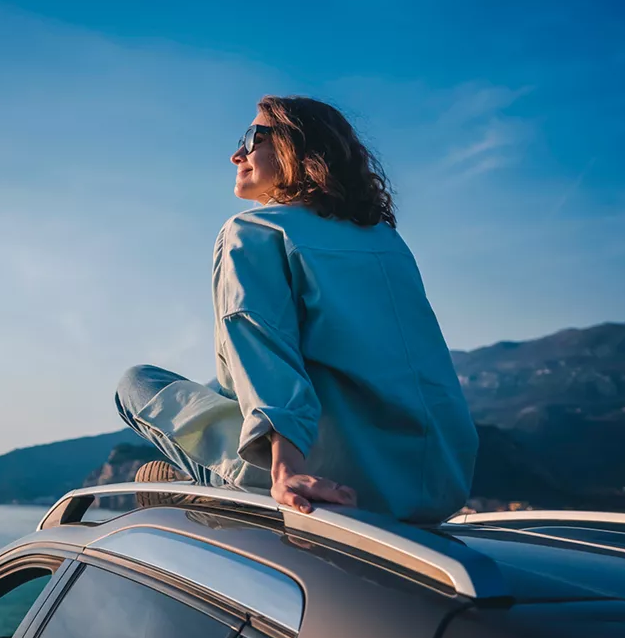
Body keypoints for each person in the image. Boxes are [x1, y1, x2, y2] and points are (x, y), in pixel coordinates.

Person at [115, 96, 477, 524]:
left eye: (252, 138)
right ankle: (210, 481)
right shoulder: (388, 243)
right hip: (436, 484)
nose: (237, 154)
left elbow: (263, 344)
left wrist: (288, 471)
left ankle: (227, 495)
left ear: (294, 147)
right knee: (222, 379)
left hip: (331, 482)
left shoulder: (254, 230)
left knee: (135, 383)